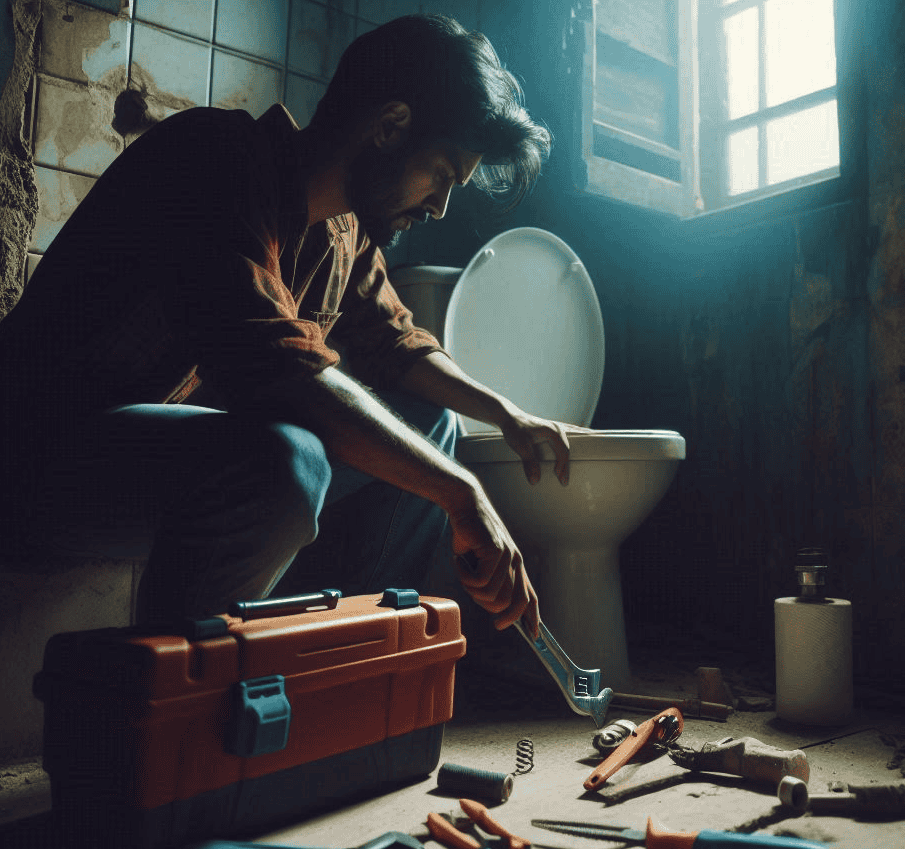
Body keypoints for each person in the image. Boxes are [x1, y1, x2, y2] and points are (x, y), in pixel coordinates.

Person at [0, 14, 579, 635]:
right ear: (390, 127)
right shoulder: (214, 158)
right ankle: (175, 705)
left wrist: (505, 415)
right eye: (441, 174)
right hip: (37, 456)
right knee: (285, 461)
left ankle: (350, 654)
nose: (439, 205)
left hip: (144, 462)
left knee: (430, 425)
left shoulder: (344, 229)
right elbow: (278, 367)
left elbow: (398, 343)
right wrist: (462, 491)